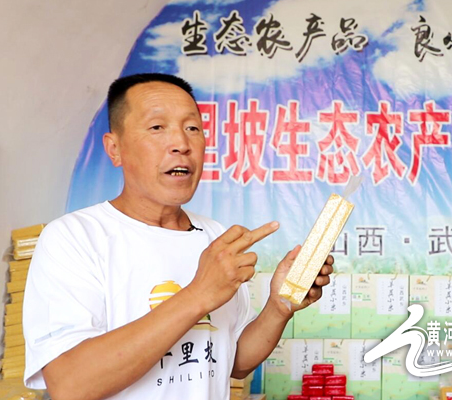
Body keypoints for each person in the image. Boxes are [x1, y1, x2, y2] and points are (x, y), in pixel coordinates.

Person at [22, 73, 334, 400]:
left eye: (192, 128)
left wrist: (279, 306)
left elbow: (234, 361)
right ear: (115, 149)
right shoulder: (74, 238)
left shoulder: (214, 237)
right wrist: (200, 293)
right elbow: (70, 384)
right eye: (157, 127)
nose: (182, 144)